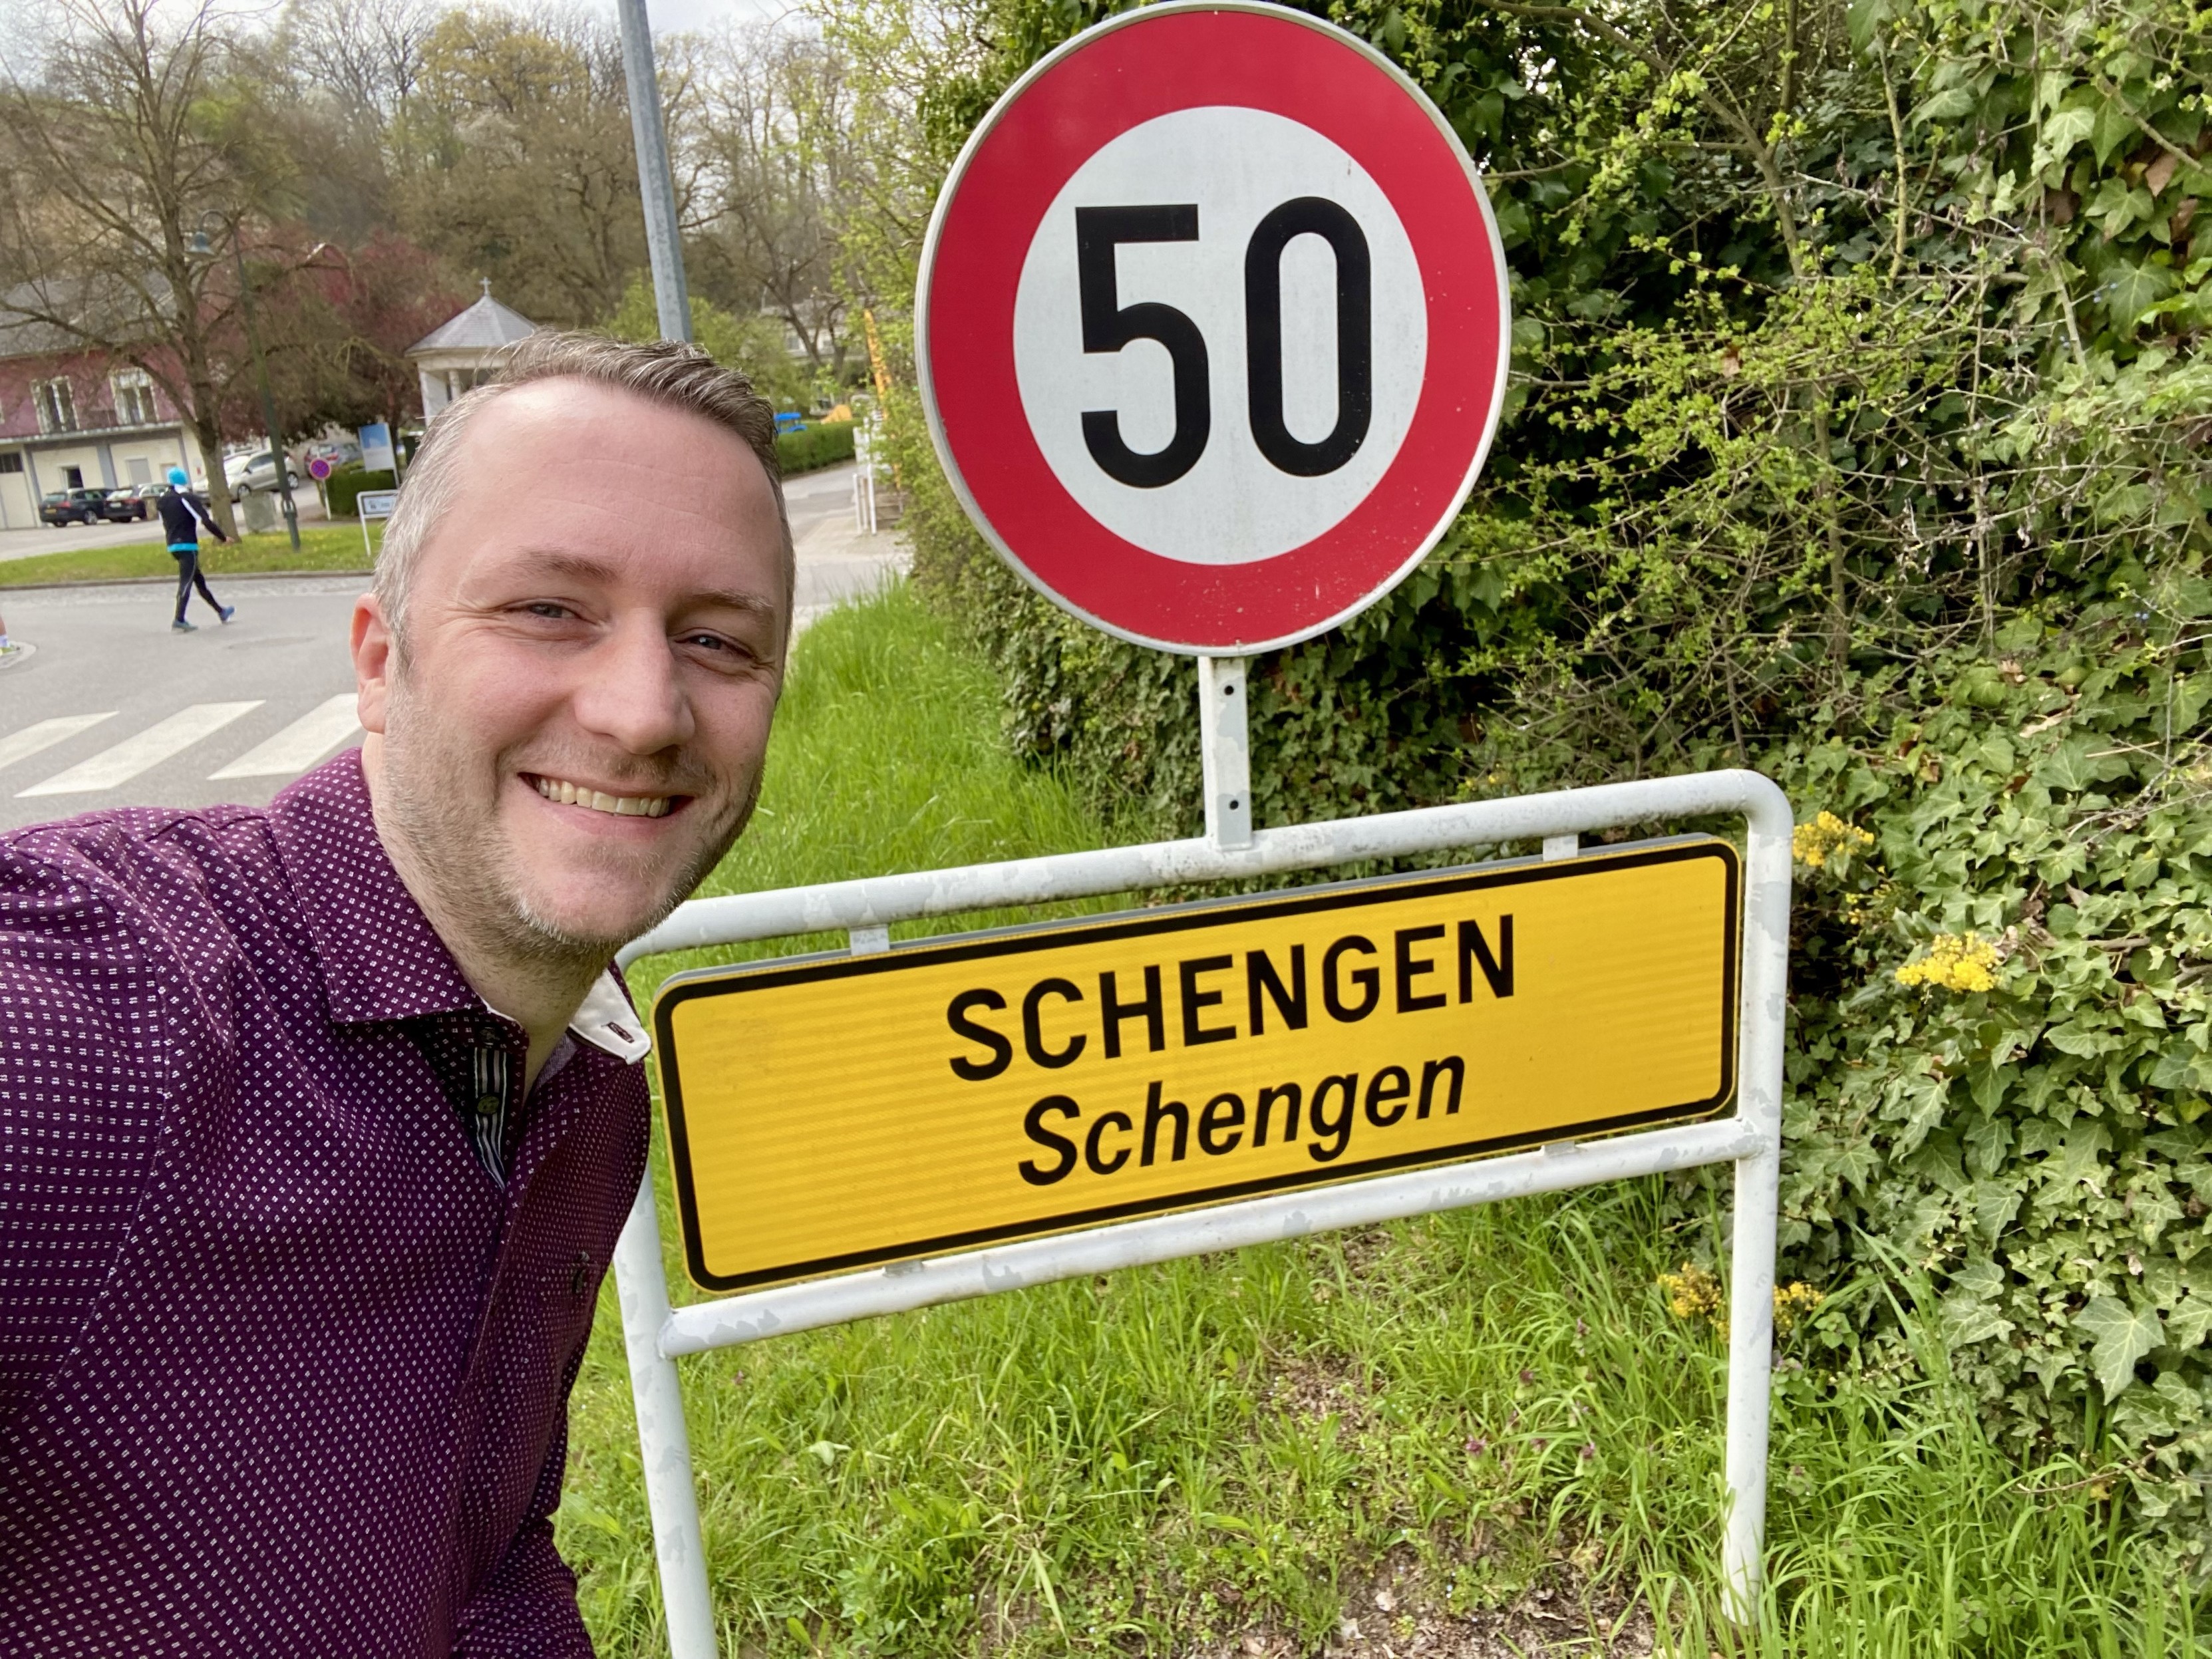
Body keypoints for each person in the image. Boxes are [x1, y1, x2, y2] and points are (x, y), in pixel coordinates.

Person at [0, 333, 794, 1653]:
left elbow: (483, 1549)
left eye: (716, 639)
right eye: (551, 608)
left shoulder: (585, 1083)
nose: (645, 708)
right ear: (379, 660)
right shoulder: (90, 1025)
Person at [156, 462, 236, 631]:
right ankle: (179, 619)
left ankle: (221, 611)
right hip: (187, 545)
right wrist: (222, 537)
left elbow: (164, 521)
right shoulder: (187, 498)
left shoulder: (163, 500)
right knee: (186, 581)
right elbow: (205, 521)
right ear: (184, 480)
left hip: (173, 545)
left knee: (199, 581)